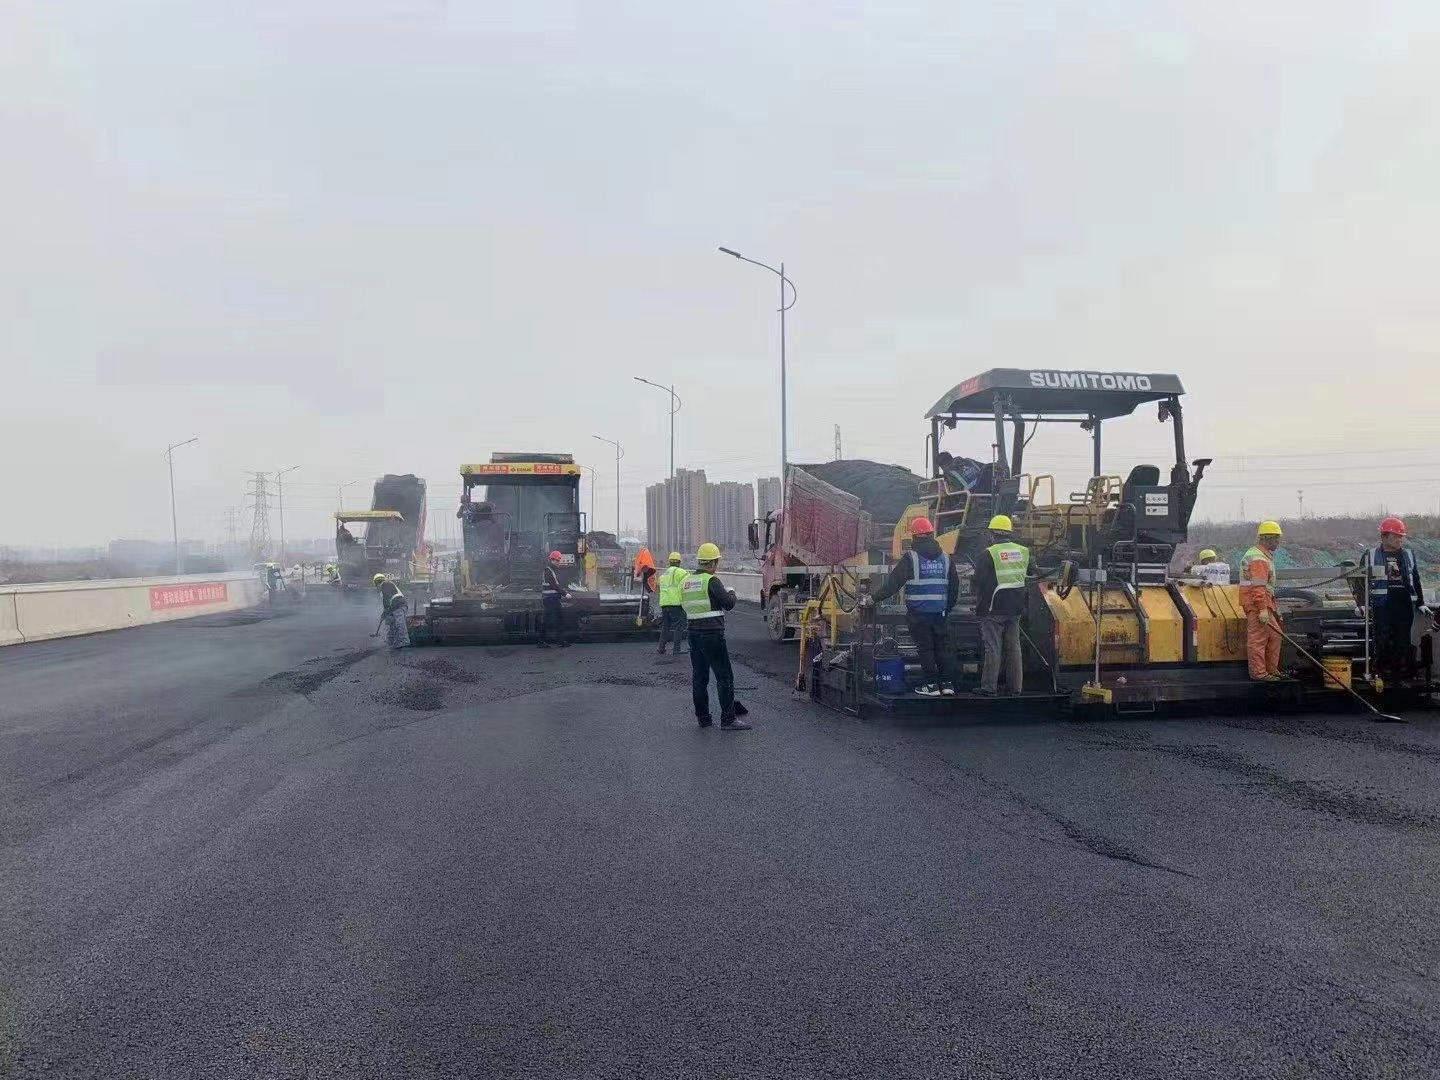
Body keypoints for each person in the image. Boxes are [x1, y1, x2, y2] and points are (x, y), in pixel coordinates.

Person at [862, 516, 962, 696]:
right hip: (940, 613)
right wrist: (946, 608)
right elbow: (954, 587)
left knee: (926, 648)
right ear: (931, 535)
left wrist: (873, 599)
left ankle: (931, 685)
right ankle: (947, 685)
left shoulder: (911, 558)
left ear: (914, 537)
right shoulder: (946, 559)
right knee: (943, 647)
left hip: (919, 613)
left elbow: (893, 584)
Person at [682, 542, 748, 729]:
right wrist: (732, 592)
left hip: (693, 633)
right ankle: (728, 719)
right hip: (712, 634)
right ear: (712, 563)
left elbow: (684, 605)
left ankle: (703, 718)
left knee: (699, 678)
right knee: (724, 676)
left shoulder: (686, 582)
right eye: (716, 562)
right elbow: (728, 604)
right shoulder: (712, 581)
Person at [970, 515, 1030, 698]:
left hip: (993, 608)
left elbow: (978, 580)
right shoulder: (1023, 551)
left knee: (993, 647)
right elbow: (1029, 572)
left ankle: (989, 688)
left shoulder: (988, 554)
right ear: (1009, 533)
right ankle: (1015, 687)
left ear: (992, 534)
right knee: (1014, 647)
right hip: (1016, 606)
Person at [1369, 517, 1430, 677]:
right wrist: (1362, 603)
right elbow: (1361, 581)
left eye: (1401, 536)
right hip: (1382, 604)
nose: (1400, 539)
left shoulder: (1408, 554)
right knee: (1382, 636)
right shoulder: (1371, 555)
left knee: (1402, 638)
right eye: (1396, 536)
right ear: (1384, 537)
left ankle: (1400, 671)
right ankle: (1382, 670)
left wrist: (1421, 602)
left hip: (1404, 602)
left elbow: (1415, 578)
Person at [1239, 521, 1286, 681]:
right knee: (1258, 639)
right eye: (1276, 539)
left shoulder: (1261, 556)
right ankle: (1259, 674)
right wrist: (1262, 609)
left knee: (1275, 636)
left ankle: (1271, 669)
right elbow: (1258, 587)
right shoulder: (1259, 558)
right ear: (1268, 538)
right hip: (1257, 604)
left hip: (1263, 603)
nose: (1278, 542)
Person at [656, 552, 689, 656]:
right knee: (679, 626)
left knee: (665, 626)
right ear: (679, 562)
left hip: (664, 603)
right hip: (676, 603)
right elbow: (688, 586)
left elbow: (658, 587)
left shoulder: (664, 574)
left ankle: (661, 648)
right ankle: (676, 649)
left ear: (669, 562)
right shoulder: (682, 573)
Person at [538, 550, 570, 648]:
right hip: (550, 599)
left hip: (551, 599)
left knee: (551, 620)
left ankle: (547, 641)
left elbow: (556, 584)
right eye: (557, 560)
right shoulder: (548, 570)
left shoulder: (551, 570)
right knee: (557, 620)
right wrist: (565, 593)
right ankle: (559, 641)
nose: (558, 562)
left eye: (559, 560)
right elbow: (554, 585)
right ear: (552, 560)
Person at [373, 573, 410, 649]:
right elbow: (386, 602)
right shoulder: (384, 587)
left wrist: (385, 613)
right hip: (394, 606)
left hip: (398, 605)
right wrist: (385, 613)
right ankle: (392, 641)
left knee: (400, 624)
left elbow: (387, 600)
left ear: (376, 583)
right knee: (391, 623)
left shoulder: (385, 584)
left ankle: (404, 641)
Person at [633, 548, 658, 624]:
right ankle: (649, 616)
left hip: (648, 581)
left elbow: (640, 568)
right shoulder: (645, 556)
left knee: (648, 599)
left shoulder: (642, 558)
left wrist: (637, 575)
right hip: (648, 581)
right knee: (648, 598)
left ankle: (648, 617)